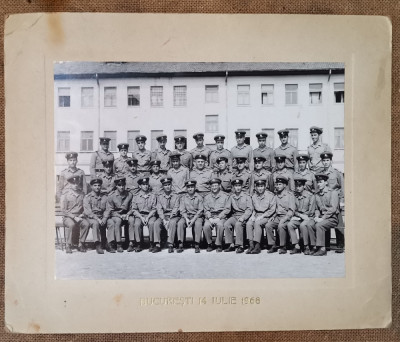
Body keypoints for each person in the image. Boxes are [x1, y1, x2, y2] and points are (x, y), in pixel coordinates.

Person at [311, 173, 340, 256]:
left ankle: (322, 249)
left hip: (332, 218)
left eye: (321, 182)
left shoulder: (332, 193)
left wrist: (322, 218)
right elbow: (317, 208)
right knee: (310, 224)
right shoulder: (317, 194)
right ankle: (315, 246)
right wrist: (317, 216)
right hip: (322, 217)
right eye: (318, 182)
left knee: (319, 225)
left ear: (326, 182)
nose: (319, 184)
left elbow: (333, 209)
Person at [265, 176, 296, 254]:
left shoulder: (290, 195)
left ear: (285, 185)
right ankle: (273, 245)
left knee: (280, 226)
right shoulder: (276, 195)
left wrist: (284, 219)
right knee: (268, 225)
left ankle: (283, 246)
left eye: (280, 184)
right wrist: (273, 217)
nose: (277, 186)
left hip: (287, 217)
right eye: (277, 184)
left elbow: (291, 210)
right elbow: (276, 209)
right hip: (277, 217)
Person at [60, 175, 90, 254]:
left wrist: (82, 215)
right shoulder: (65, 194)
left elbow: (85, 207)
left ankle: (81, 244)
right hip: (68, 217)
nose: (76, 185)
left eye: (77, 183)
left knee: (86, 224)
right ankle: (68, 245)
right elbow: (63, 210)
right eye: (73, 183)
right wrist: (74, 217)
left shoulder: (82, 194)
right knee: (71, 224)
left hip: (79, 216)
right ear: (69, 184)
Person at [246, 178, 276, 254]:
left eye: (262, 186)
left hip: (266, 216)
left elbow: (272, 209)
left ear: (265, 186)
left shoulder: (270, 195)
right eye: (258, 186)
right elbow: (253, 208)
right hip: (256, 215)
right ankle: (251, 244)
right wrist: (252, 215)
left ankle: (257, 245)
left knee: (257, 223)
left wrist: (262, 216)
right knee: (249, 223)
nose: (260, 188)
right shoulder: (254, 196)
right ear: (255, 187)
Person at [286, 176, 315, 255]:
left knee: (302, 225)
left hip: (309, 218)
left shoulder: (310, 196)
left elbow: (312, 211)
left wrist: (305, 216)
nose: (297, 188)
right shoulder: (294, 196)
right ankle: (296, 246)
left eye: (300, 186)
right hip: (299, 218)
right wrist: (300, 215)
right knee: (290, 224)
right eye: (296, 186)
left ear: (304, 186)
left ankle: (306, 246)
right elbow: (293, 209)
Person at [223, 178, 253, 253]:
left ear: (242, 187)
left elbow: (249, 209)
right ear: (233, 187)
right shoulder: (231, 197)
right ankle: (231, 244)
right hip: (235, 215)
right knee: (227, 223)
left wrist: (243, 217)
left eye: (239, 185)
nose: (238, 188)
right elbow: (227, 208)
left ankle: (240, 245)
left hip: (244, 216)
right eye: (236, 186)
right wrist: (220, 216)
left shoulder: (246, 196)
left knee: (238, 224)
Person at [128, 177, 157, 252]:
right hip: (140, 215)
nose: (145, 186)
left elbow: (154, 209)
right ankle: (139, 243)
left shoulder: (153, 195)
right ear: (140, 186)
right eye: (143, 184)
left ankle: (152, 243)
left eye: (146, 184)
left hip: (150, 215)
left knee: (151, 223)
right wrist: (141, 217)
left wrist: (148, 217)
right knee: (137, 224)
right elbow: (134, 209)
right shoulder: (136, 196)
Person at [104, 177, 132, 253]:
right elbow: (110, 210)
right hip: (115, 215)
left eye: (123, 185)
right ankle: (119, 244)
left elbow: (132, 207)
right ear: (116, 186)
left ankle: (131, 242)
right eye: (119, 185)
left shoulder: (129, 195)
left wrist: (127, 214)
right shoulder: (111, 196)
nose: (121, 187)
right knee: (118, 221)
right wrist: (119, 216)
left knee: (131, 220)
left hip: (126, 214)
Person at [154, 177, 181, 253]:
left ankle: (171, 244)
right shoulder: (159, 196)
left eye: (169, 184)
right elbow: (159, 209)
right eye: (165, 185)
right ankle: (157, 244)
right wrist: (163, 219)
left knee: (172, 223)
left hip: (174, 216)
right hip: (163, 215)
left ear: (171, 185)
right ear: (162, 186)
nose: (167, 186)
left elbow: (176, 208)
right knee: (156, 223)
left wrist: (169, 219)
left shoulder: (176, 195)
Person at [203, 178, 231, 252]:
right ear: (210, 187)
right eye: (212, 186)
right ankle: (209, 244)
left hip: (221, 216)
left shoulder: (225, 196)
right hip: (210, 216)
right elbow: (206, 209)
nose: (214, 187)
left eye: (216, 186)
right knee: (206, 226)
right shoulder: (207, 197)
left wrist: (219, 217)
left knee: (220, 225)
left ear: (219, 186)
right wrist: (210, 218)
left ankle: (219, 244)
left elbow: (227, 209)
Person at [177, 180, 204, 253]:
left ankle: (197, 244)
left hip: (197, 216)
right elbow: (182, 210)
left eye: (192, 187)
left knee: (198, 223)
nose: (190, 189)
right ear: (186, 188)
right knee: (180, 223)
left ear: (195, 187)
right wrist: (186, 219)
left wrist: (193, 220)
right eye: (188, 187)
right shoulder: (183, 198)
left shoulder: (199, 197)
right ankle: (181, 243)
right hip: (186, 216)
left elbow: (200, 210)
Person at [83, 178, 107, 254]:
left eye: (99, 185)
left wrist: (105, 218)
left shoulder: (105, 197)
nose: (97, 187)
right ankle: (97, 244)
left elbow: (108, 209)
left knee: (110, 222)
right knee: (95, 223)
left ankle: (108, 243)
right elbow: (88, 212)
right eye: (95, 185)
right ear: (91, 186)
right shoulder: (88, 197)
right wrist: (98, 219)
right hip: (91, 218)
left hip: (102, 216)